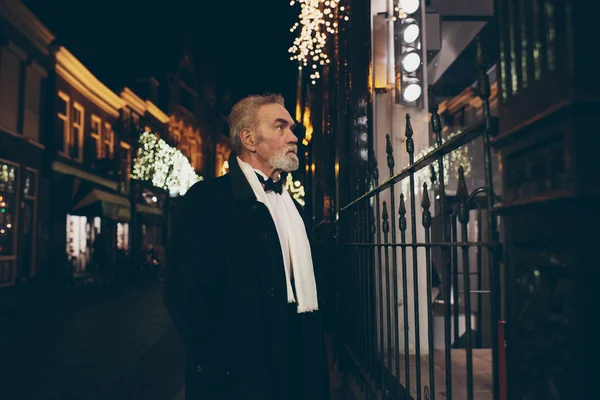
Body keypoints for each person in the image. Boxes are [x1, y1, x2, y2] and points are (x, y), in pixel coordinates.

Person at [164, 93, 330, 400]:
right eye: (281, 127)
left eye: (292, 129)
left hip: (295, 369)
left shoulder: (294, 207)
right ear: (250, 138)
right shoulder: (208, 201)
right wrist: (223, 360)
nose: (294, 137)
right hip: (239, 377)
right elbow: (184, 294)